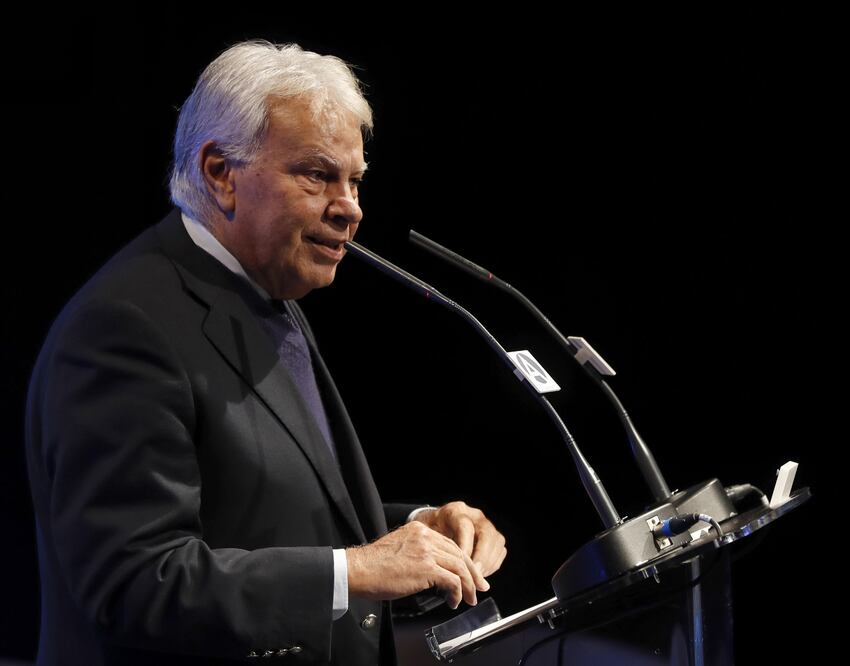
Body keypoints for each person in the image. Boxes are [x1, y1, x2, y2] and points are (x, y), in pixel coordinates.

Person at [23, 40, 506, 666]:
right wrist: (355, 570)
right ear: (221, 173)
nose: (350, 208)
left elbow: (262, 518)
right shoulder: (123, 326)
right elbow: (135, 582)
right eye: (317, 175)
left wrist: (414, 533)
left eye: (355, 180)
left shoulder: (266, 295)